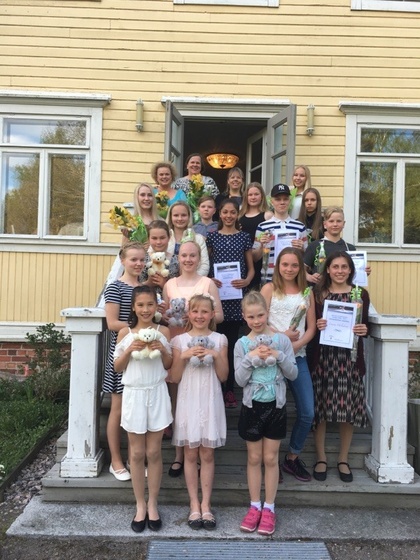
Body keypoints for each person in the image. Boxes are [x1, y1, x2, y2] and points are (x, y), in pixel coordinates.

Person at [234, 292, 297, 536]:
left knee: (270, 458)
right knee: (254, 458)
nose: (256, 320)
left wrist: (278, 356)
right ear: (244, 317)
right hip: (252, 406)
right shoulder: (242, 344)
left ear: (267, 313)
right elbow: (239, 380)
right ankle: (254, 506)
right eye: (251, 317)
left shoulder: (281, 341)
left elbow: (293, 374)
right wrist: (250, 359)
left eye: (260, 315)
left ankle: (269, 508)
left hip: (275, 406)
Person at [162, 240, 224, 478]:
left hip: (201, 346)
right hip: (178, 345)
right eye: (184, 255)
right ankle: (181, 454)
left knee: (198, 400)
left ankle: (201, 450)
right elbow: (165, 314)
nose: (188, 259)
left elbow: (219, 315)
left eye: (193, 256)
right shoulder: (170, 284)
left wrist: (196, 315)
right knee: (178, 401)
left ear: (199, 259)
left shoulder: (207, 283)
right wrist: (174, 317)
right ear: (178, 258)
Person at [114, 286, 172, 533]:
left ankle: (153, 504)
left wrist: (163, 349)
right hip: (134, 394)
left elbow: (168, 364)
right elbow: (117, 367)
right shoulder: (125, 333)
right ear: (133, 307)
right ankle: (139, 504)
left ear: (156, 306)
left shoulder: (163, 331)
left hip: (156, 392)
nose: (146, 310)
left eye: (150, 304)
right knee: (137, 454)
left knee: (154, 452)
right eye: (141, 305)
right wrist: (129, 350)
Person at [170, 294, 229, 531]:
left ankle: (206, 504)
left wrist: (215, 355)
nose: (200, 316)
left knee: (207, 454)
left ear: (212, 314)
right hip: (188, 400)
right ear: (188, 314)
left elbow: (223, 376)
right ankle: (194, 503)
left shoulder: (220, 339)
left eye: (205, 312)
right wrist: (184, 357)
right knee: (190, 454)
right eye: (195, 311)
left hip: (209, 399)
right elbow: (174, 377)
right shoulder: (179, 341)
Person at [311, 251, 370, 483]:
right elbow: (309, 326)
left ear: (351, 270)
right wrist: (318, 324)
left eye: (344, 267)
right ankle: (321, 457)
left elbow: (366, 325)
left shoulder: (360, 294)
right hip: (324, 358)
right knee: (321, 409)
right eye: (335, 267)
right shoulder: (317, 294)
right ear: (327, 269)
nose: (340, 271)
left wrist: (364, 329)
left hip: (350, 360)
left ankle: (343, 459)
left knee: (348, 411)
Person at [261, 248, 316, 482]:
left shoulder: (307, 292)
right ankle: (269, 461)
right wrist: (282, 338)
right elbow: (260, 322)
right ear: (278, 266)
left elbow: (311, 327)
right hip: (272, 359)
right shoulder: (269, 289)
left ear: (300, 267)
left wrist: (296, 346)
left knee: (307, 412)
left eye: (294, 265)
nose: (289, 269)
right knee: (271, 411)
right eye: (285, 264)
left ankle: (292, 457)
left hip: (297, 356)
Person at [102, 242, 146, 482]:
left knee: (136, 408)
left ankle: (134, 458)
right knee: (118, 407)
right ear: (123, 261)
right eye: (133, 259)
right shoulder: (115, 287)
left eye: (142, 259)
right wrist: (139, 328)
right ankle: (116, 461)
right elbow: (112, 323)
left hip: (144, 354)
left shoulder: (145, 287)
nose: (138, 264)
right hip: (123, 351)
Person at [207, 199, 255, 409]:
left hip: (236, 298)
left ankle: (229, 390)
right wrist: (210, 279)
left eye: (232, 212)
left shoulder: (244, 237)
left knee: (232, 344)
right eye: (225, 212)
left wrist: (246, 281)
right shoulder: (212, 237)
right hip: (217, 297)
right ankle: (216, 387)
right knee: (216, 342)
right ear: (220, 214)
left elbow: (251, 268)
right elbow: (206, 266)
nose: (228, 216)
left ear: (237, 214)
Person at [253, 184, 307, 285]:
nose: (282, 202)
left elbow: (306, 257)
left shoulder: (300, 226)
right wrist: (261, 245)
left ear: (289, 201)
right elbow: (255, 257)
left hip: (293, 277)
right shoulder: (263, 226)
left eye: (285, 199)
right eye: (278, 199)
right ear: (271, 201)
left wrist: (302, 249)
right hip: (269, 277)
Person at [303, 206, 370, 285]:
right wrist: (309, 277)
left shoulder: (350, 248)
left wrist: (363, 273)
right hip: (320, 290)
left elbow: (353, 272)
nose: (335, 224)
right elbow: (301, 269)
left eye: (338, 221)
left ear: (343, 224)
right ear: (325, 224)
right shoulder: (315, 246)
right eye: (331, 221)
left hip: (344, 291)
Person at [239, 182, 273, 290]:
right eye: (250, 195)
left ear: (262, 196)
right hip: (243, 259)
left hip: (261, 258)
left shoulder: (268, 215)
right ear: (246, 197)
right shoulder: (239, 215)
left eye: (256, 194)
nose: (253, 197)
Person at [166, 201, 210, 276]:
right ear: (170, 217)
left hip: (194, 281)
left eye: (183, 215)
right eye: (176, 215)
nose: (180, 218)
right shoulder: (163, 237)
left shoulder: (199, 239)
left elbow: (204, 266)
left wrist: (190, 279)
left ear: (189, 217)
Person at [122, 182, 159, 247]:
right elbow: (123, 249)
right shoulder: (131, 222)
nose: (146, 198)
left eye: (150, 195)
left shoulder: (160, 221)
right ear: (137, 197)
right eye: (142, 195)